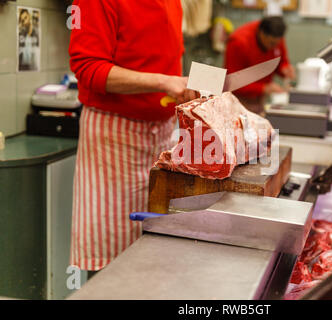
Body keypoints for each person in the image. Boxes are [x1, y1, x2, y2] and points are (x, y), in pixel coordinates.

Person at [68, 0, 198, 272]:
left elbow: (165, 60)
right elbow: (87, 68)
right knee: (110, 255)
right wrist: (163, 81)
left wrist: (183, 89)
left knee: (153, 255)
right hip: (113, 138)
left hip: (161, 137)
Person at [224, 16, 295, 114]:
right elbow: (232, 82)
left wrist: (285, 68)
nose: (274, 47)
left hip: (260, 99)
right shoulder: (238, 42)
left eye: (277, 44)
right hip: (238, 101)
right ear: (262, 33)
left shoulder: (276, 36)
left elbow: (281, 60)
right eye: (271, 43)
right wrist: (264, 88)